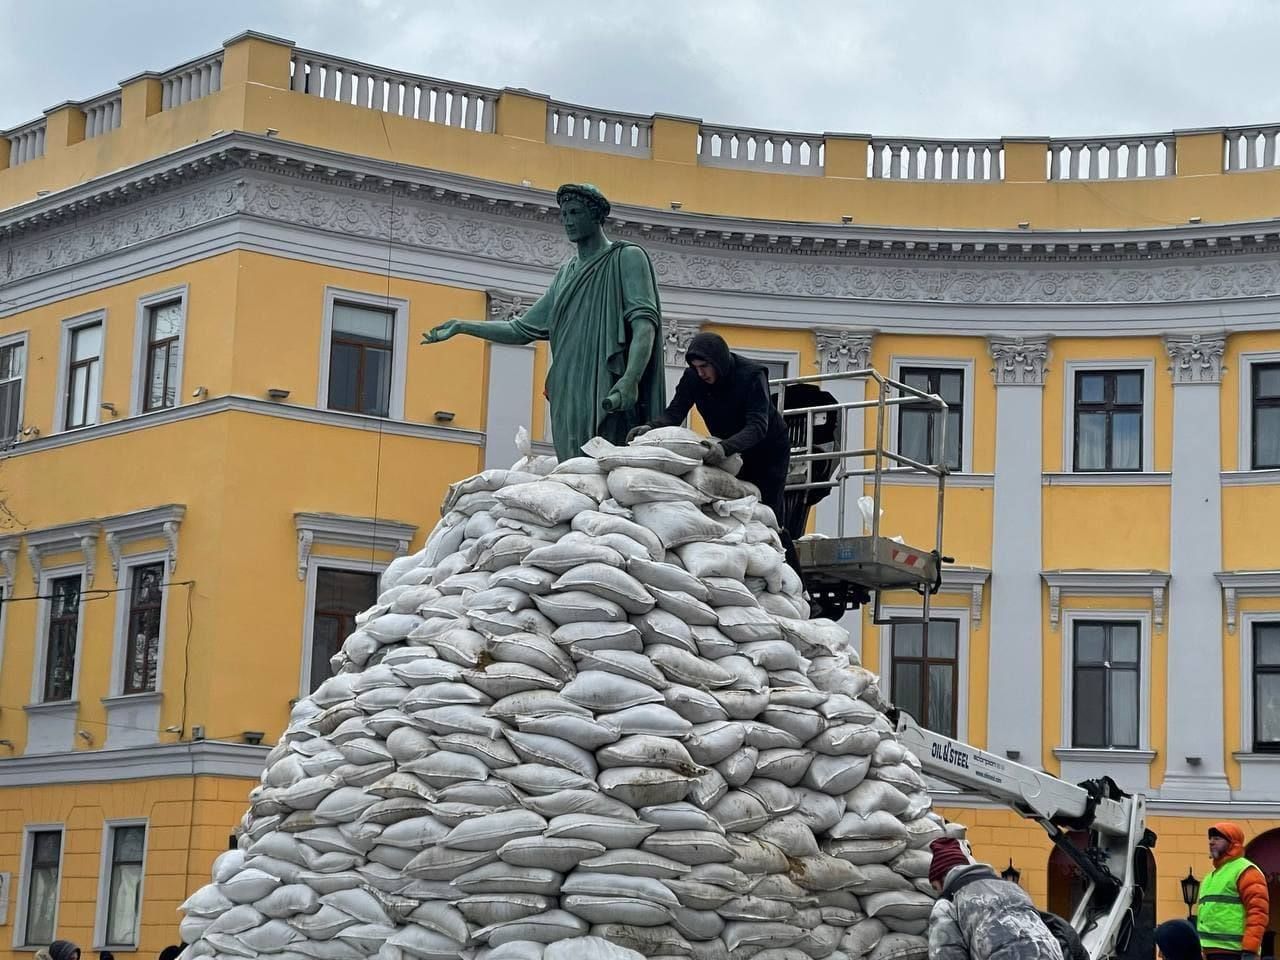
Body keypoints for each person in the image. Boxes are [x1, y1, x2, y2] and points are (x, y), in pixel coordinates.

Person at [423, 183, 666, 460]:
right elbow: (520, 329)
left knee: (607, 464)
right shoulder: (565, 274)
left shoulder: (626, 257)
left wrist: (631, 378)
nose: (568, 221)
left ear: (597, 215)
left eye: (575, 212)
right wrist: (463, 326)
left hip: (607, 381)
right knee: (573, 468)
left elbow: (644, 324)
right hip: (567, 387)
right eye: (563, 215)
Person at [628, 332, 799, 570]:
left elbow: (758, 426)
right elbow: (675, 413)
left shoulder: (751, 375)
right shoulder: (693, 378)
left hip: (767, 452)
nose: (701, 373)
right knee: (729, 507)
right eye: (696, 367)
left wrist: (725, 447)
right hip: (727, 451)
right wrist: (649, 428)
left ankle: (791, 575)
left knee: (767, 512)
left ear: (718, 361)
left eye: (705, 366)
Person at [926, 837, 1064, 960]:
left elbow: (945, 953)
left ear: (939, 880)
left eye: (935, 887)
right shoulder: (1014, 888)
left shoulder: (948, 902)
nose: (937, 892)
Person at [1198, 822, 1269, 960]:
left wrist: (1250, 950)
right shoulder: (1210, 877)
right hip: (1211, 952)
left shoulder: (1246, 870)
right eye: (1211, 839)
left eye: (1217, 839)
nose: (1211, 842)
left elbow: (1258, 913)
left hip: (1235, 952)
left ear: (1232, 843)